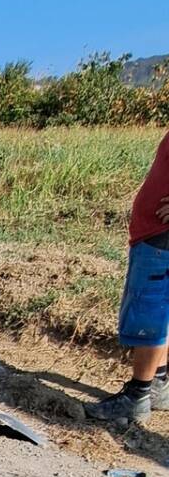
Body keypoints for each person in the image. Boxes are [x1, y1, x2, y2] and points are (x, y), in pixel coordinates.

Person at [86, 130, 169, 422]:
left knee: (151, 311)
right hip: (155, 234)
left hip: (161, 237)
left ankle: (137, 396)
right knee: (161, 309)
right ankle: (157, 383)